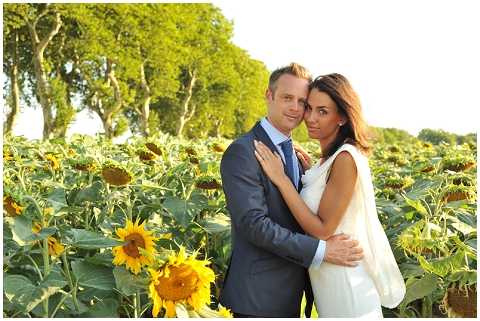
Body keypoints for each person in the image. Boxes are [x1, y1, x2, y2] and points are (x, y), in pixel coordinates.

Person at [253, 73, 406, 317]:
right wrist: (310, 171)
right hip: (327, 279)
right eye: (309, 107)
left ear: (342, 117)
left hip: (345, 282)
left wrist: (281, 179)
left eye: (323, 111)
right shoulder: (327, 160)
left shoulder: (345, 158)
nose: (310, 118)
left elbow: (323, 229)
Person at [219, 63, 365, 317]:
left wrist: (310, 178)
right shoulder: (244, 151)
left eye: (303, 102)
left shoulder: (297, 156)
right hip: (257, 298)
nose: (297, 109)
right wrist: (322, 250)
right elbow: (254, 224)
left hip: (295, 296)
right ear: (269, 95)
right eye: (288, 98)